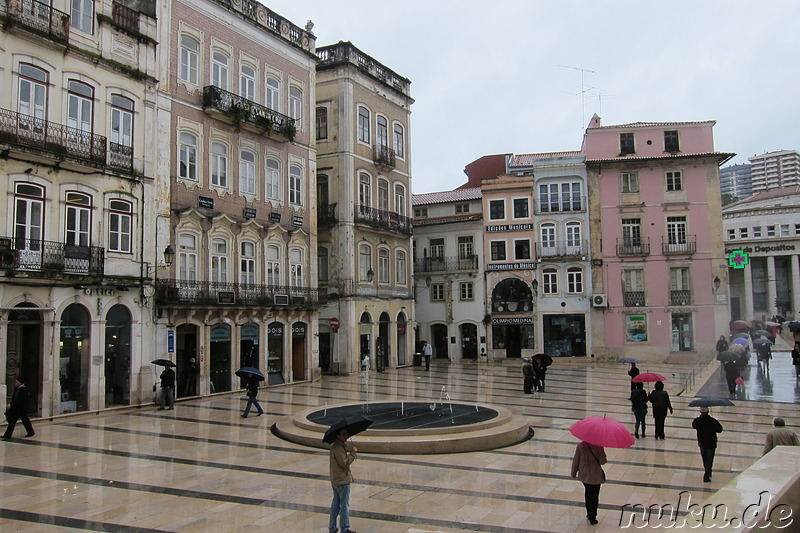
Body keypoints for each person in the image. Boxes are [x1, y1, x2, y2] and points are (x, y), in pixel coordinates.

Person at [570, 440, 606, 526]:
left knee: (588, 493)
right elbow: (603, 461)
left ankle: (589, 512)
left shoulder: (580, 446)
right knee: (595, 495)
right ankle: (593, 515)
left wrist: (573, 472)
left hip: (584, 473)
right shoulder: (599, 446)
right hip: (595, 474)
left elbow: (576, 460)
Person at [329, 428, 358, 533]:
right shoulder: (338, 449)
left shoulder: (336, 447)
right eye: (343, 434)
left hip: (336, 480)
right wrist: (353, 454)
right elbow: (344, 463)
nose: (346, 436)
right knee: (344, 505)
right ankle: (344, 529)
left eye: (346, 434)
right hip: (342, 481)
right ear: (338, 436)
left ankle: (332, 527)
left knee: (336, 504)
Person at [692, 407, 723, 482]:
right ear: (708, 411)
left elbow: (694, 426)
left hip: (702, 442)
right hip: (711, 442)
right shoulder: (712, 421)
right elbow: (720, 429)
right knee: (710, 458)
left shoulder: (697, 421)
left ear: (700, 411)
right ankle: (707, 472)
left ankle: (708, 470)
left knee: (704, 457)